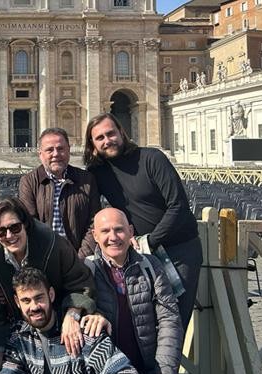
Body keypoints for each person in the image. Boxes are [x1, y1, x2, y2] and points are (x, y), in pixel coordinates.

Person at [84, 112, 201, 331]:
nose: (107, 140)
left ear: (122, 132)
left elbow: (178, 205)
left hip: (178, 251)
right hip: (140, 255)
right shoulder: (98, 172)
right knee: (143, 326)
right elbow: (86, 207)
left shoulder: (151, 158)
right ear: (92, 144)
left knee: (173, 323)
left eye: (111, 133)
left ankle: (168, 366)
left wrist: (150, 240)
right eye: (100, 138)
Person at [0, 198, 97, 374]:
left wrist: (72, 313)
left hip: (57, 322)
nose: (9, 236)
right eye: (1, 231)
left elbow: (81, 282)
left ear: (25, 224)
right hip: (17, 329)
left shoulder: (53, 243)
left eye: (15, 227)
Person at [0, 268, 146, 374]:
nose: (34, 307)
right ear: (17, 302)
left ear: (51, 295)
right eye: (26, 301)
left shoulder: (83, 331)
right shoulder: (19, 335)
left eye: (39, 298)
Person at [86, 208, 184, 374]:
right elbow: (76, 312)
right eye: (105, 231)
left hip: (146, 372)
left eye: (119, 229)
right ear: (95, 236)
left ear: (131, 231)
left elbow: (169, 320)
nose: (113, 237)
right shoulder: (87, 270)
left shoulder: (151, 265)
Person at [18, 128, 100, 259]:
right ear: (40, 153)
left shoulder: (87, 179)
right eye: (49, 150)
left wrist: (80, 259)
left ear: (69, 150)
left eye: (61, 148)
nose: (56, 154)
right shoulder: (28, 181)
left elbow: (94, 223)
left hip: (81, 259)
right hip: (45, 257)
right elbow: (29, 223)